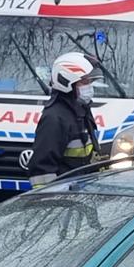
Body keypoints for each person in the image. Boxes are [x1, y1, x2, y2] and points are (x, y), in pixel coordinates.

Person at [28, 52, 101, 185]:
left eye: (90, 81)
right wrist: (52, 199)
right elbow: (42, 171)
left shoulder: (81, 111)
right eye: (84, 81)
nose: (89, 86)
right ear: (67, 82)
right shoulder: (54, 118)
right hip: (63, 197)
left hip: (83, 192)